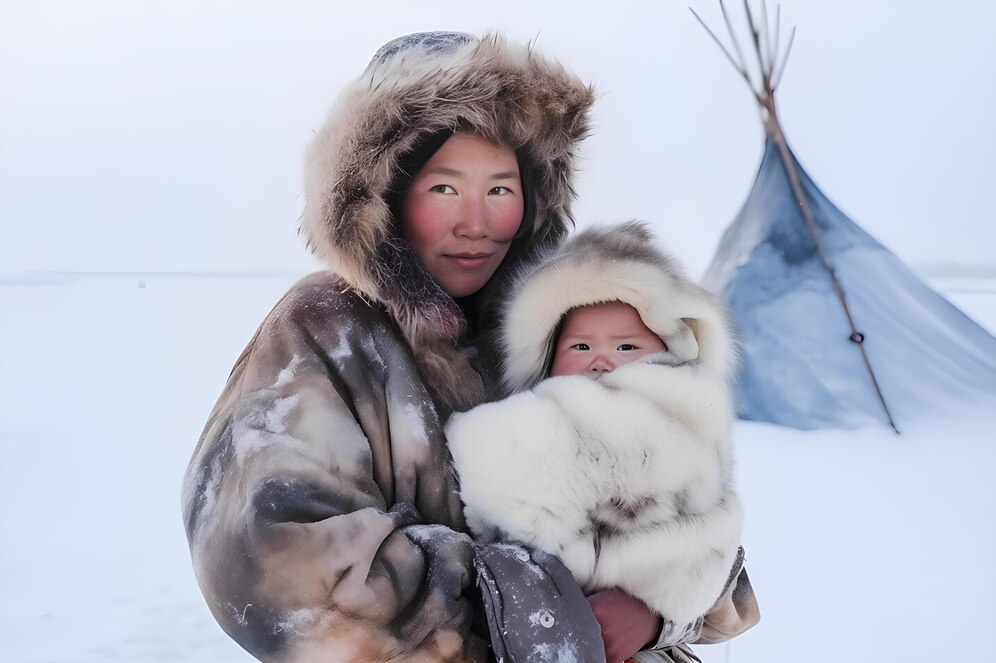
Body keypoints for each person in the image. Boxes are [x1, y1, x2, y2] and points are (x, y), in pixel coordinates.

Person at [181, 31, 757, 663]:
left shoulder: (558, 330)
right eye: (445, 188)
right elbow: (276, 564)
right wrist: (539, 612)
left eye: (501, 189)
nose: (477, 224)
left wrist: (652, 611)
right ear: (383, 195)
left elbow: (689, 516)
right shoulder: (327, 328)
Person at [448, 221, 748, 636]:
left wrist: (655, 616)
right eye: (580, 346)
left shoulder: (685, 419)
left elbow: (711, 540)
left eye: (626, 346)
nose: (601, 361)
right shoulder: (533, 419)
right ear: (547, 358)